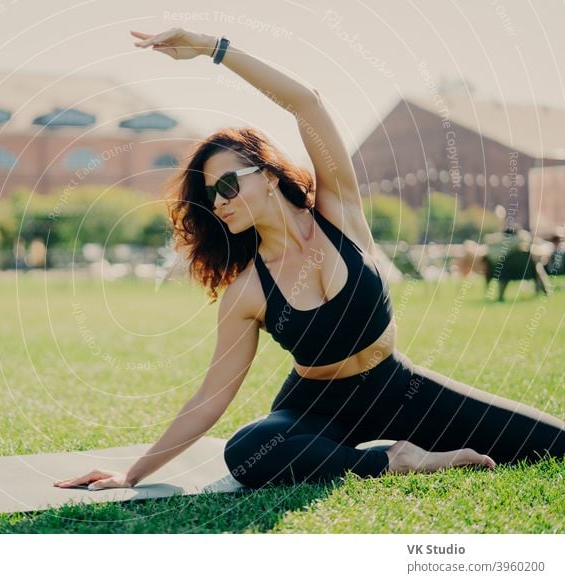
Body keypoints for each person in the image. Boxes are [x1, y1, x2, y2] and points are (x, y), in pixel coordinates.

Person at [54, 28, 565, 491]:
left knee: (554, 443)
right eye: (212, 196)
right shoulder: (247, 291)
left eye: (230, 183)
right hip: (316, 412)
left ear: (269, 174)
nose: (221, 201)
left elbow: (307, 103)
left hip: (401, 389)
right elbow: (210, 399)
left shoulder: (338, 211)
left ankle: (379, 452)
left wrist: (215, 49)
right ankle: (397, 462)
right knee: (249, 450)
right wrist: (133, 473)